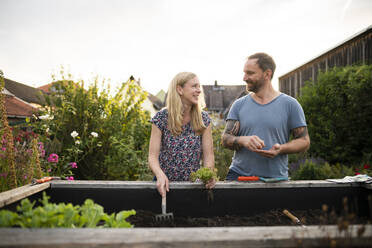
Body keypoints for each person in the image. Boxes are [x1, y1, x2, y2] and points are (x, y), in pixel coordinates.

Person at [222, 52, 310, 180]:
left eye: (250, 73)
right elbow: (225, 139)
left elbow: (304, 142)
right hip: (239, 178)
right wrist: (243, 140)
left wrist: (281, 149)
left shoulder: (290, 104)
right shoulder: (239, 105)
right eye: (244, 72)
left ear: (267, 74)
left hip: (275, 180)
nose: (244, 78)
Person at [148, 72, 216, 197]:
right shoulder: (161, 118)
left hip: (193, 186)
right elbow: (152, 157)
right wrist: (160, 175)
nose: (199, 90)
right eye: (194, 86)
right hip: (165, 185)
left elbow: (208, 156)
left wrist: (209, 174)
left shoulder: (204, 119)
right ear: (179, 89)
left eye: (199, 86)